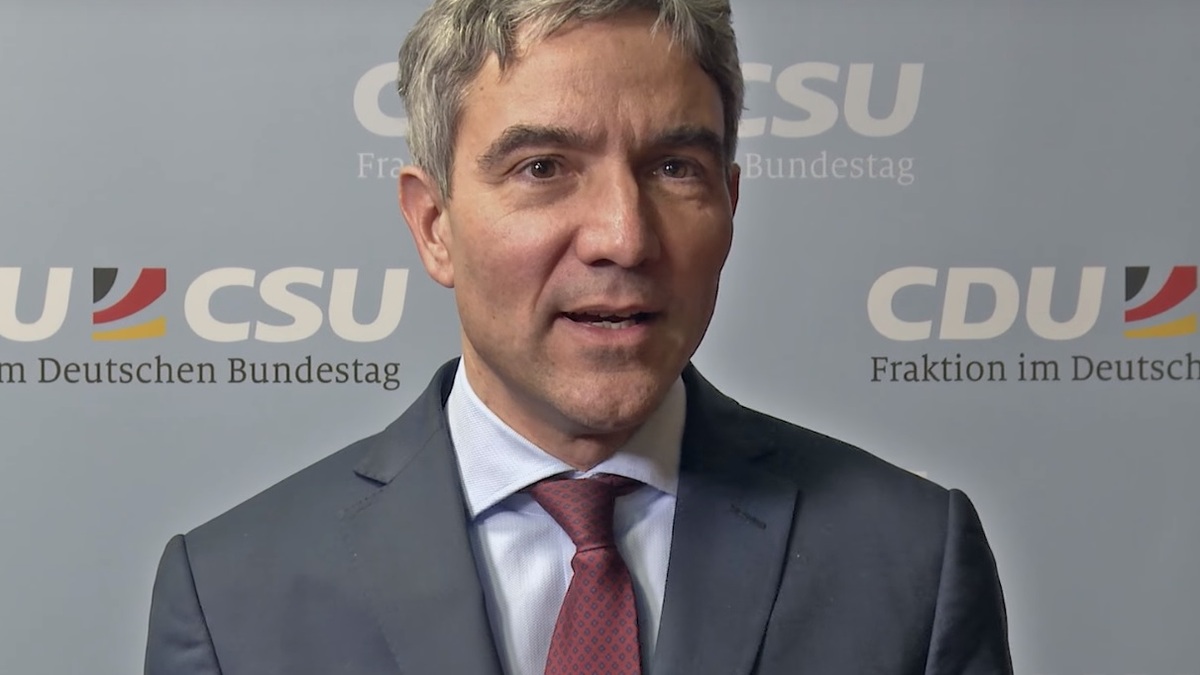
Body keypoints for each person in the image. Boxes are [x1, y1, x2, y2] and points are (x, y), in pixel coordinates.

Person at [145, 0, 1012, 673]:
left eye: (674, 168)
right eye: (543, 168)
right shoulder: (231, 596)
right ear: (434, 224)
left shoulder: (911, 559)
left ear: (731, 203)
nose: (623, 237)